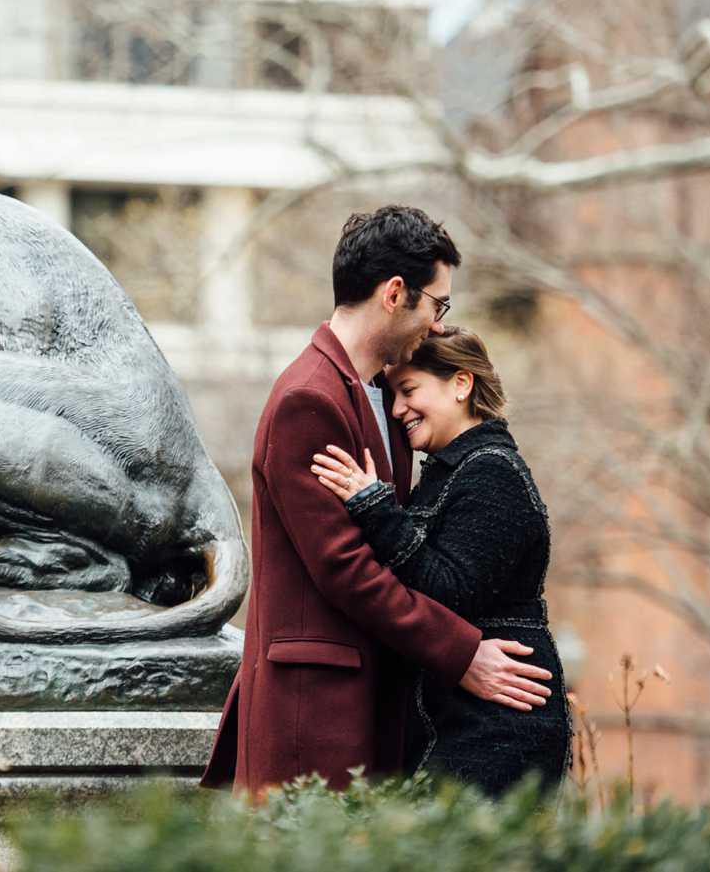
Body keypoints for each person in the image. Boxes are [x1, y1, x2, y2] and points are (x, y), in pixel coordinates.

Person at [200, 206, 553, 797]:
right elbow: (348, 571)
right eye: (437, 305)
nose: (439, 328)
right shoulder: (307, 400)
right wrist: (462, 654)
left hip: (384, 709)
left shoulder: (384, 403)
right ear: (395, 294)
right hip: (316, 710)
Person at [310, 326, 571, 796]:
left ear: (461, 384)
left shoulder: (493, 472)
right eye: (392, 395)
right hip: (461, 717)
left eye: (410, 390)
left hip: (500, 726)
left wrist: (374, 507)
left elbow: (450, 592)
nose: (397, 409)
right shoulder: (449, 472)